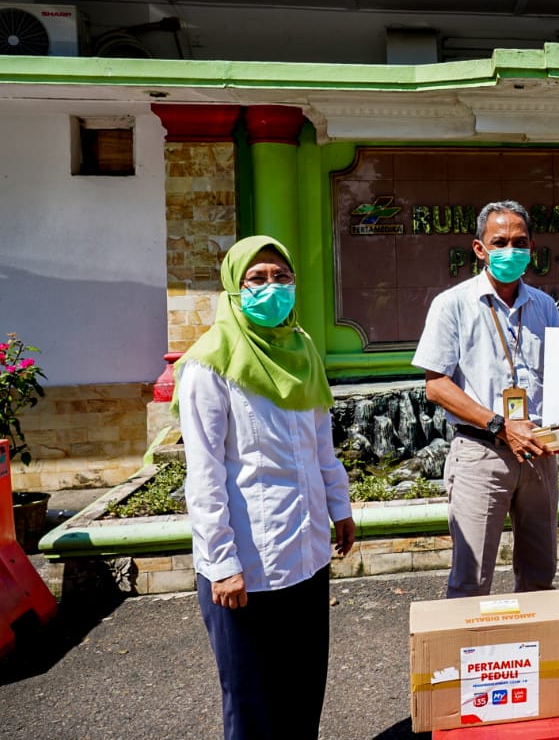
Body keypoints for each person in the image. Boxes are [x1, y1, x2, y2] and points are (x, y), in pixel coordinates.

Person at [175, 235, 354, 740]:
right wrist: (223, 563)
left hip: (308, 551)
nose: (271, 288)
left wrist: (339, 507)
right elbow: (204, 473)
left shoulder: (303, 351)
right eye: (257, 278)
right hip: (247, 564)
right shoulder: (209, 364)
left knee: (302, 690)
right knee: (253, 702)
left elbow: (322, 444)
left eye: (281, 277)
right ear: (234, 288)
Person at [413, 200, 559, 597]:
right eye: (499, 242)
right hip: (482, 453)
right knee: (471, 580)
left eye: (519, 242)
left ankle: (538, 657)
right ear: (479, 248)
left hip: (539, 454)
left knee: (540, 575)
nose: (509, 251)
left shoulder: (544, 306)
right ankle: (467, 660)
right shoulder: (453, 305)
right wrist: (500, 424)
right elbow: (437, 385)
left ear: (532, 247)